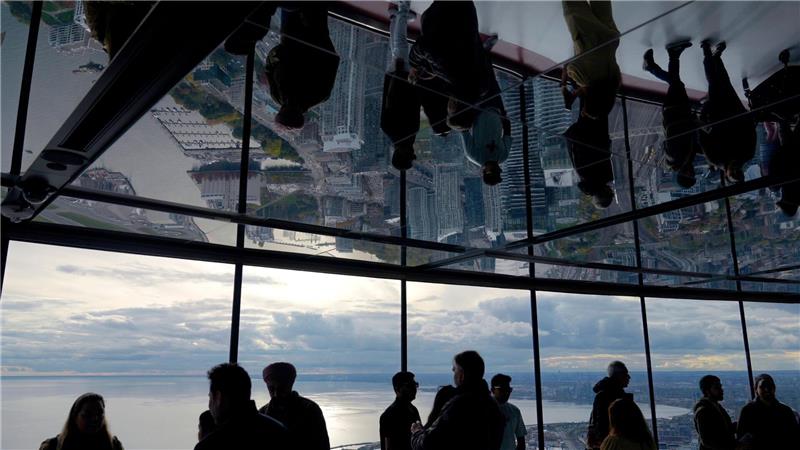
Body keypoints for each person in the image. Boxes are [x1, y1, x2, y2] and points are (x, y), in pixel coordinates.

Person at [405, 1, 512, 183]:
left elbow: (464, 129)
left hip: (460, 19)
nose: (494, 169)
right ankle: (484, 50)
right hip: (445, 20)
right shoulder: (450, 75)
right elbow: (425, 47)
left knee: (480, 59)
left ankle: (484, 50)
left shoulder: (477, 155)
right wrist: (415, 67)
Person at [561, 0, 620, 207]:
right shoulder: (586, 173)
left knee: (600, 18)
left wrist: (590, 116)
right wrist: (585, 116)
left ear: (607, 192)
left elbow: (599, 140)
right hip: (592, 91)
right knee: (575, 14)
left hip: (603, 88)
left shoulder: (603, 171)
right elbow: (572, 138)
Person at [265, 4, 340, 129]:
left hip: (297, 35)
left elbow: (269, 69)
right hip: (310, 34)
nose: (285, 108)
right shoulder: (319, 94)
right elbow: (269, 69)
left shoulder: (319, 95)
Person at [410, 350, 504, 450]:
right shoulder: (492, 405)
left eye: (454, 369)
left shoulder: (459, 405)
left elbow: (429, 444)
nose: (453, 371)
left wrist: (417, 432)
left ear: (461, 375)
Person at [642, 41, 700, 188]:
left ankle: (653, 66)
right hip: (676, 113)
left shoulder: (675, 158)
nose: (692, 172)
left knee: (677, 84)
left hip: (675, 113)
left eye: (690, 175)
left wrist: (692, 123)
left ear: (683, 174)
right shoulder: (684, 160)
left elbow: (675, 132)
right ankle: (673, 55)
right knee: (676, 82)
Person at [697, 40, 756, 184]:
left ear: (727, 174)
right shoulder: (717, 158)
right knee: (721, 82)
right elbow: (703, 137)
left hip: (726, 112)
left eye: (733, 173)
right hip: (726, 112)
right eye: (739, 172)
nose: (736, 169)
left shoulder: (744, 155)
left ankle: (709, 54)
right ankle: (713, 56)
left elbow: (751, 131)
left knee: (717, 82)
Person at [195, 363, 287, 450]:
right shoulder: (280, 430)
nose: (209, 406)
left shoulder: (209, 445)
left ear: (218, 397)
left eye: (210, 397)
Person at [259, 362, 330, 450]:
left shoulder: (310, 410)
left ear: (290, 385)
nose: (276, 394)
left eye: (281, 388)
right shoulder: (262, 412)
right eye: (271, 389)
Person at [39, 392, 124, 450]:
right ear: (75, 417)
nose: (95, 419)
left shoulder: (114, 446)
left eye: (100, 413)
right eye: (88, 415)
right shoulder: (52, 446)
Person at [737, 373, 800, 449]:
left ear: (774, 388)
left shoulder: (786, 411)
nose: (767, 389)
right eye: (762, 387)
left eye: (770, 386)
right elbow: (742, 438)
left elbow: (795, 436)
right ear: (755, 389)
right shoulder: (747, 411)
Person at [587, 361, 631, 450]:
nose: (629, 377)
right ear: (618, 376)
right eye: (626, 374)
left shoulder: (605, 395)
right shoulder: (609, 396)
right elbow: (602, 423)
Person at [380, 371, 421, 450]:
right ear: (397, 389)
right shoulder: (389, 415)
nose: (414, 388)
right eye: (409, 385)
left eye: (415, 385)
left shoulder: (413, 410)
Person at [693, 375, 736, 450]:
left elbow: (725, 429)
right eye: (717, 388)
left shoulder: (716, 406)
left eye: (720, 387)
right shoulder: (703, 411)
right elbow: (707, 441)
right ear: (707, 391)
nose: (721, 390)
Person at [491, 374, 526, 450]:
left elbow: (521, 440)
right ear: (492, 390)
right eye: (502, 389)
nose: (506, 393)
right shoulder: (484, 410)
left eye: (508, 390)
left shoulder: (515, 411)